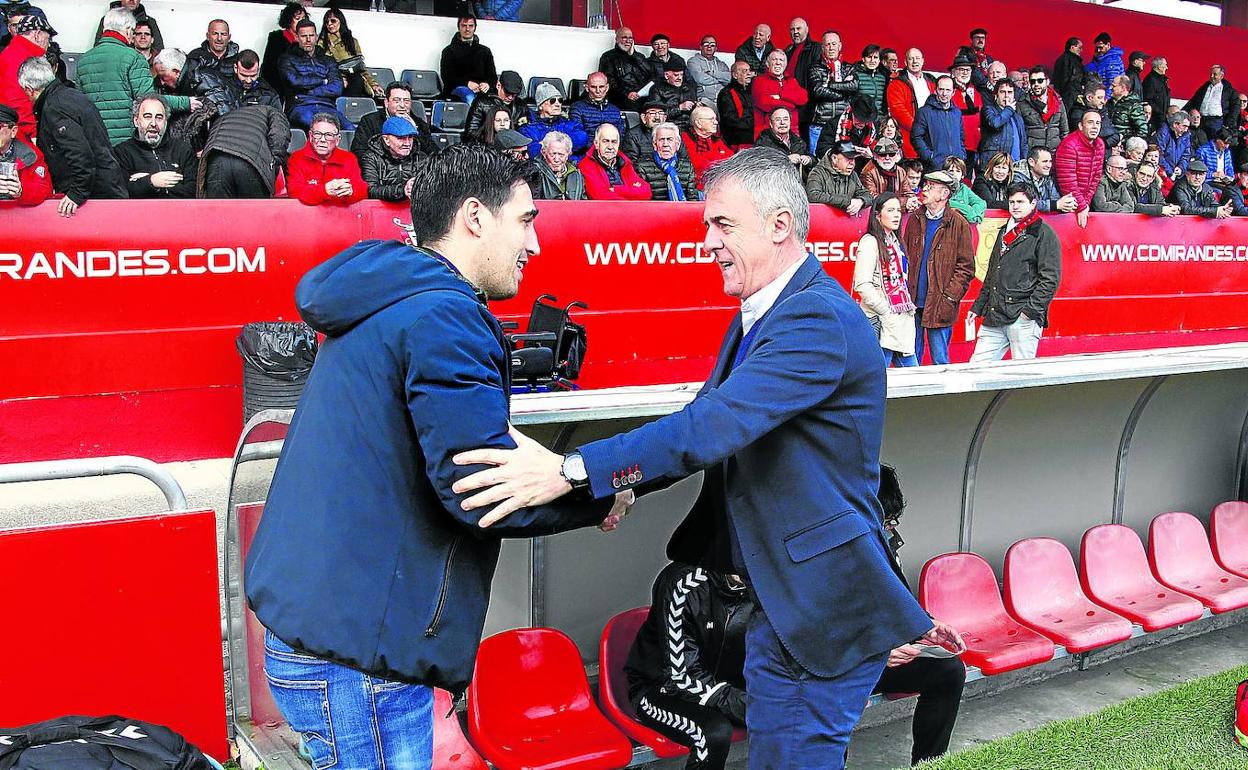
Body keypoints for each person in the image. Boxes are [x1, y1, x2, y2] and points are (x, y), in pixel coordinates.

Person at [450, 147, 963, 770]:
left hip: (819, 605)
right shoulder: (762, 313)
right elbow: (703, 437)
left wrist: (567, 468)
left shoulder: (816, 319)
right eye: (706, 226)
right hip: (782, 602)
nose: (708, 241)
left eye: (722, 225)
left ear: (779, 226)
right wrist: (610, 488)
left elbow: (706, 428)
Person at [245, 144, 625, 770]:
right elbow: (479, 490)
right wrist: (598, 491)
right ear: (475, 217)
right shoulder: (445, 317)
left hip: (325, 634)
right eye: (526, 221)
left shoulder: (394, 294)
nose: (535, 246)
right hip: (358, 657)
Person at [872, 465, 966, 765]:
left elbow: (896, 600)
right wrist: (871, 652)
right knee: (835, 697)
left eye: (892, 521)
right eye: (884, 521)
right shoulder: (828, 554)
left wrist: (925, 626)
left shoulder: (884, 545)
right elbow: (815, 630)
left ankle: (929, 762)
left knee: (948, 670)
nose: (890, 529)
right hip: (836, 665)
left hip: (879, 656)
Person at [625, 562, 751, 770]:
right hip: (662, 689)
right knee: (714, 733)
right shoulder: (684, 583)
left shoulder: (770, 581)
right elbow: (681, 677)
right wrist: (751, 706)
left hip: (728, 686)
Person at [20, 55, 125, 216]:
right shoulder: (71, 95)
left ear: (29, 89)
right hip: (107, 185)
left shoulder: (54, 107)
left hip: (94, 195)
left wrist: (77, 192)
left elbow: (79, 152)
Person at [970, 182, 1060, 362]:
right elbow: (992, 273)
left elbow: (1050, 279)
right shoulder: (1004, 229)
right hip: (995, 313)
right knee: (976, 368)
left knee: (1022, 376)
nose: (1015, 206)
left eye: (1020, 201)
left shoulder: (1044, 233)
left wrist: (1030, 312)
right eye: (1012, 202)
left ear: (1033, 203)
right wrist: (978, 306)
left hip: (1023, 316)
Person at [901, 170, 974, 365]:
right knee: (910, 359)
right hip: (913, 302)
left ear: (944, 194)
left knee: (940, 360)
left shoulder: (959, 224)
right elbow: (905, 256)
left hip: (941, 303)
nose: (924, 189)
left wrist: (949, 297)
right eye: (925, 185)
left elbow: (966, 268)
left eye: (930, 187)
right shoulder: (915, 219)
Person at [854, 193, 918, 367]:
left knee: (913, 380)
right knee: (878, 381)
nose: (897, 215)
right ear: (877, 215)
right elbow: (862, 284)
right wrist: (885, 310)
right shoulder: (870, 242)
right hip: (882, 322)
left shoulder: (896, 242)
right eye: (890, 210)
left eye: (898, 210)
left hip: (900, 322)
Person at [77, 7, 153, 145]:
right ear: (128, 30)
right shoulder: (134, 58)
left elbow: (78, 104)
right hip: (125, 142)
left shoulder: (83, 60)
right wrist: (185, 102)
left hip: (94, 141)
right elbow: (149, 100)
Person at [113, 95, 197, 198]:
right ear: (136, 121)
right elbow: (120, 193)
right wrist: (151, 181)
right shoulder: (122, 153)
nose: (153, 123)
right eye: (147, 117)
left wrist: (148, 182)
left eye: (159, 117)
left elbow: (193, 192)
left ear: (166, 122)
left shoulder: (183, 150)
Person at [198, 103, 289, 198]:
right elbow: (280, 136)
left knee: (220, 211)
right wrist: (273, 164)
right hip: (249, 160)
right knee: (254, 211)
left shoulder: (224, 116)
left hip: (216, 159)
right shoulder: (272, 110)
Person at [287, 112, 366, 205]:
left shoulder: (349, 159)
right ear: (311, 136)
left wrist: (351, 192)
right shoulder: (297, 158)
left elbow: (362, 190)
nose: (323, 140)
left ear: (337, 139)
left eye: (328, 135)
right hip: (306, 216)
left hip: (340, 216)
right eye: (317, 134)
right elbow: (294, 191)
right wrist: (324, 191)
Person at [0, 7, 50, 140]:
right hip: (20, 132)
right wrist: (31, 134)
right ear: (38, 34)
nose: (48, 44)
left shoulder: (10, 53)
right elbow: (17, 100)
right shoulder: (24, 58)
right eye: (48, 38)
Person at [806, 30, 858, 154]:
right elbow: (817, 91)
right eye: (827, 44)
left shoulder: (848, 68)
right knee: (817, 162)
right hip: (820, 123)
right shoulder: (815, 68)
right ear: (822, 47)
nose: (831, 47)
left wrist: (830, 85)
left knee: (844, 160)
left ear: (840, 46)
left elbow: (854, 86)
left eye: (834, 44)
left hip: (843, 124)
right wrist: (842, 93)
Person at [353, 81, 435, 156]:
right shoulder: (369, 121)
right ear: (386, 102)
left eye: (406, 101)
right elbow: (359, 152)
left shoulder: (420, 124)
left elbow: (432, 153)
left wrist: (415, 129)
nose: (402, 105)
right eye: (397, 100)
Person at [1055, 109, 1107, 227]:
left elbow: (1096, 177)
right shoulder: (1069, 145)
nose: (1094, 127)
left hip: (1083, 202)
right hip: (1065, 201)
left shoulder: (1100, 144)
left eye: (1097, 123)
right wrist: (1082, 206)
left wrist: (1085, 203)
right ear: (1080, 126)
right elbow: (1067, 181)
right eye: (1090, 122)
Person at [578, 121, 651, 200]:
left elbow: (646, 192)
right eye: (605, 141)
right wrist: (631, 191)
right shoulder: (586, 165)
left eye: (614, 142)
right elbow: (602, 197)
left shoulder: (624, 162)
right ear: (596, 144)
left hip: (630, 211)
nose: (610, 147)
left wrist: (615, 189)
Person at [361, 115, 427, 201]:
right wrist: (403, 190)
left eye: (410, 137)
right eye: (401, 138)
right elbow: (370, 191)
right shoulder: (371, 158)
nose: (407, 143)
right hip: (380, 211)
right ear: (386, 139)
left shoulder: (421, 158)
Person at [319, 8, 381, 99]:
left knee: (357, 78)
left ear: (341, 21)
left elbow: (361, 68)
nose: (329, 24)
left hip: (355, 79)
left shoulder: (352, 41)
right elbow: (323, 66)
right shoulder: (322, 43)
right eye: (326, 22)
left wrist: (373, 85)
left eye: (333, 21)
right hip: (335, 80)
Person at [886, 48, 935, 159]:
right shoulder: (897, 83)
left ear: (923, 61)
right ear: (905, 62)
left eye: (917, 58)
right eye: (911, 58)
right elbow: (898, 110)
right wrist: (918, 128)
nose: (914, 61)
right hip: (910, 135)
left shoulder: (931, 81)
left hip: (932, 135)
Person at [0, 100, 51, 206]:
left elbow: (44, 189)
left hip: (17, 215)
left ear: (13, 131)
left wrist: (21, 190)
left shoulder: (29, 154)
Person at [520, 82, 588, 159]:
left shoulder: (569, 124)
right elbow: (532, 151)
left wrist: (544, 144)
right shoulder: (528, 128)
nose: (557, 104)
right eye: (552, 101)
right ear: (541, 106)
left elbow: (582, 138)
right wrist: (563, 144)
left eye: (560, 100)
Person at [750, 49, 806, 140]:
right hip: (767, 132)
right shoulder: (759, 81)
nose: (778, 63)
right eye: (774, 59)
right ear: (767, 64)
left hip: (792, 131)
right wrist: (792, 104)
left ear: (785, 65)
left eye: (781, 60)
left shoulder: (791, 81)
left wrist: (781, 95)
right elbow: (764, 102)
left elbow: (803, 98)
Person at [633, 122, 697, 201]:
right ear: (654, 145)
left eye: (669, 139)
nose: (665, 144)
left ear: (677, 145)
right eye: (661, 140)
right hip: (654, 212)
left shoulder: (687, 166)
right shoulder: (641, 166)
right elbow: (642, 201)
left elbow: (693, 199)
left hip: (682, 211)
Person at [911, 75, 964, 171]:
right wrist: (930, 157)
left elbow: (961, 138)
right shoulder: (924, 112)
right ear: (935, 90)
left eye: (948, 90)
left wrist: (961, 155)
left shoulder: (957, 112)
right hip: (934, 167)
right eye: (941, 89)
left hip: (955, 167)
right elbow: (916, 137)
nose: (944, 93)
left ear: (953, 92)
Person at [440, 16, 495, 102]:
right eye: (464, 25)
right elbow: (447, 77)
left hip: (482, 91)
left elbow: (492, 76)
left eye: (470, 25)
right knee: (468, 95)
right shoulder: (448, 51)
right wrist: (466, 83)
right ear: (459, 27)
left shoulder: (485, 51)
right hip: (458, 91)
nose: (467, 29)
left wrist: (487, 84)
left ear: (475, 28)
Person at [806, 140, 871, 214]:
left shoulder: (853, 175)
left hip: (844, 221)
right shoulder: (817, 173)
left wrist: (861, 201)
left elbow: (867, 194)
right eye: (848, 158)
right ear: (834, 158)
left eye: (853, 159)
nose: (852, 163)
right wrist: (847, 201)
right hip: (823, 219)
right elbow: (813, 196)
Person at [1016, 65, 1068, 154]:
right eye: (1032, 81)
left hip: (1055, 152)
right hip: (1033, 155)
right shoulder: (1022, 103)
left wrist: (1063, 152)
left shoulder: (1058, 101)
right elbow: (1019, 133)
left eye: (1040, 81)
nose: (1036, 84)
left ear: (1047, 81)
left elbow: (1064, 131)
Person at [462, 70, 527, 141]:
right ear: (498, 85)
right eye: (507, 93)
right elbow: (470, 133)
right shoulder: (482, 103)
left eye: (514, 94)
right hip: (486, 147)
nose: (511, 97)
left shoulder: (521, 106)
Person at [599, 27, 651, 111]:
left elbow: (650, 74)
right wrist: (627, 93)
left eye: (630, 38)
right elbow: (608, 81)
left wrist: (634, 55)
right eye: (624, 38)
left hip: (642, 96)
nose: (628, 41)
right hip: (620, 96)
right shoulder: (608, 57)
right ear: (617, 39)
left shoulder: (640, 57)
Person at [979, 77, 1028, 165]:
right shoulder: (988, 109)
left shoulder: (1017, 117)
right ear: (996, 95)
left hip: (1016, 166)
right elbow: (994, 123)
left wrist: (1024, 163)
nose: (1006, 95)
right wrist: (1009, 109)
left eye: (1010, 92)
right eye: (1002, 92)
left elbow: (1024, 143)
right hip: (994, 165)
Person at [261, 2, 304, 100]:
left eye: (303, 19)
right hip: (278, 84)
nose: (301, 22)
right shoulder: (276, 38)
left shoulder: (307, 39)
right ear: (289, 21)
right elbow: (269, 67)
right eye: (298, 19)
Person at [860, 138, 917, 211]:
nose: (887, 158)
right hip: (876, 213)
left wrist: (912, 201)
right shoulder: (868, 172)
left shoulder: (901, 171)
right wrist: (904, 202)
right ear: (875, 156)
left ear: (897, 156)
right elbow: (874, 198)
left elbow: (907, 192)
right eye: (883, 155)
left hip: (895, 210)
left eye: (891, 154)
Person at [1014, 146, 1076, 213]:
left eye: (1050, 161)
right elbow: (1022, 204)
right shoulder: (1018, 177)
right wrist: (1055, 205)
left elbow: (1056, 199)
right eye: (1045, 161)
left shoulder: (1048, 177)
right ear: (1031, 162)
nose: (1049, 165)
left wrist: (1067, 204)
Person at [683, 105, 732, 188]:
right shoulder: (685, 140)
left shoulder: (717, 140)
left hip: (720, 185)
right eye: (711, 119)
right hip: (697, 189)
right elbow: (699, 166)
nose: (716, 122)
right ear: (698, 123)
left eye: (716, 119)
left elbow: (731, 161)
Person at [752, 107, 811, 175]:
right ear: (771, 124)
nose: (782, 123)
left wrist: (809, 160)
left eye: (785, 119)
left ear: (790, 122)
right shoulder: (763, 143)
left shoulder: (798, 141)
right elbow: (757, 166)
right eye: (778, 120)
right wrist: (785, 160)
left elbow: (812, 159)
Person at [1166, 159, 1232, 218]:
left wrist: (1221, 209)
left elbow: (1214, 205)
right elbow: (1186, 209)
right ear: (1187, 174)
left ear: (1205, 175)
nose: (1197, 177)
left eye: (1201, 174)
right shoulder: (1180, 187)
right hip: (1177, 225)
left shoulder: (1207, 188)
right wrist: (1214, 212)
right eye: (1194, 174)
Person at [569, 71, 624, 140]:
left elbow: (620, 136)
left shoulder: (615, 110)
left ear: (607, 88)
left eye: (601, 87)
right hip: (587, 150)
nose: (598, 91)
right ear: (586, 88)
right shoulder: (577, 108)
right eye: (593, 87)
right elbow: (578, 137)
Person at [531, 130, 585, 200]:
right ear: (544, 153)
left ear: (568, 154)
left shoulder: (576, 175)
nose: (556, 159)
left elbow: (583, 203)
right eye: (552, 154)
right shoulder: (535, 173)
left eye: (561, 155)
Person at [949, 54, 982, 163]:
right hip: (955, 146)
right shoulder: (948, 91)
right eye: (961, 69)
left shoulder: (975, 91)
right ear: (953, 72)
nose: (965, 73)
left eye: (968, 70)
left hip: (974, 146)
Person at [1184, 65, 1236, 134]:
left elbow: (1235, 106)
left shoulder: (1228, 90)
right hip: (1201, 120)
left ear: (1221, 76)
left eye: (1215, 74)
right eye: (1211, 74)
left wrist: (1229, 122)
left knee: (1213, 143)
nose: (1211, 76)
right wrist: (1183, 112)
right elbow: (1193, 100)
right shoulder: (1204, 87)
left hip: (1216, 122)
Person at [92, 0, 161, 49]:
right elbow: (98, 46)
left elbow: (158, 49)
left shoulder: (149, 21)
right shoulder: (108, 20)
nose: (132, 0)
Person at [651, 59, 699, 130]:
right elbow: (656, 115)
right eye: (676, 75)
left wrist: (696, 106)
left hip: (690, 127)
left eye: (681, 75)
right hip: (668, 127)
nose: (679, 78)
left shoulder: (689, 88)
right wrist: (679, 108)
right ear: (666, 75)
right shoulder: (657, 89)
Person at [1069, 83, 1118, 153]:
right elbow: (1089, 138)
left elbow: (1116, 135)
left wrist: (1105, 142)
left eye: (1103, 98)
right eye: (1099, 98)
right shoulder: (1077, 114)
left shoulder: (1103, 111)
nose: (1103, 101)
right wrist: (1106, 141)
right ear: (1089, 98)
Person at [717, 61, 754, 149]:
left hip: (752, 133)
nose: (749, 73)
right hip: (736, 138)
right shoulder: (726, 94)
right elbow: (730, 120)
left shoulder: (752, 91)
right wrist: (754, 124)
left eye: (749, 70)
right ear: (735, 75)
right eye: (745, 71)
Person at [688, 35, 730, 106]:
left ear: (716, 48)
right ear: (700, 47)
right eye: (706, 44)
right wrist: (721, 79)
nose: (709, 47)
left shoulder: (721, 64)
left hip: (723, 101)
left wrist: (712, 73)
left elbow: (729, 79)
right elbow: (700, 79)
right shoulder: (693, 61)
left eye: (712, 45)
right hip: (704, 101)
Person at [943, 156, 986, 224]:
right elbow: (945, 202)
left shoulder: (964, 189)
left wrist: (975, 214)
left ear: (962, 175)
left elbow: (981, 203)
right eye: (951, 171)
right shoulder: (941, 188)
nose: (954, 174)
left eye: (958, 171)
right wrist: (967, 209)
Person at [1107, 74, 1147, 142]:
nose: (1110, 88)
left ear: (1123, 88)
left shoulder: (1134, 105)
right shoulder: (1109, 103)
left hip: (1123, 147)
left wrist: (1125, 141)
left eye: (1114, 86)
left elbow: (1143, 130)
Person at [854, 44, 888, 118]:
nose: (872, 60)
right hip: (862, 120)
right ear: (863, 59)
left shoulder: (883, 77)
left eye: (875, 57)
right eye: (869, 57)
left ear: (879, 60)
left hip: (880, 120)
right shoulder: (855, 75)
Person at [1157, 110, 1193, 176]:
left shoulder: (1186, 135)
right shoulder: (1163, 133)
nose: (1186, 129)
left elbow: (1186, 155)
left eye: (1188, 127)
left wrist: (1181, 168)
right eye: (1184, 126)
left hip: (1176, 174)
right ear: (1175, 124)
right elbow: (1159, 155)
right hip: (1162, 173)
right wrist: (1170, 171)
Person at [1142, 56, 1170, 132]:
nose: (1166, 68)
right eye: (1165, 65)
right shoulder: (1150, 80)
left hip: (1161, 119)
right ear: (1159, 67)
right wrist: (1160, 113)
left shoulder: (1162, 80)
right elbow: (1148, 100)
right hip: (1154, 120)